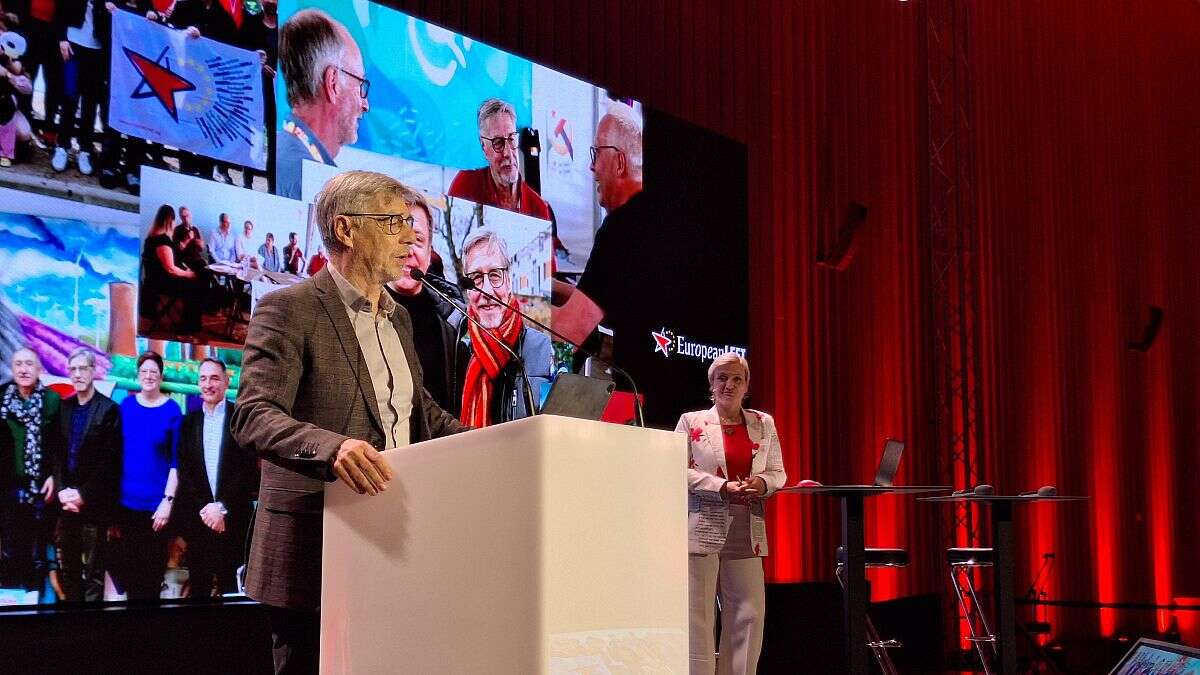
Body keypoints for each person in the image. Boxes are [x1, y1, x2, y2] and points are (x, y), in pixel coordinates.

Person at [231, 170, 467, 673]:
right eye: (395, 223)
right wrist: (332, 449)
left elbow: (417, 411)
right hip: (313, 549)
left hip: (391, 540)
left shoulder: (398, 317)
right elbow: (253, 413)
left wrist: (501, 440)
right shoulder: (288, 309)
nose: (410, 238)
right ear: (346, 230)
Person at [676, 353, 785, 675]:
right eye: (722, 377)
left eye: (737, 378)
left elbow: (778, 472)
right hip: (703, 526)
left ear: (747, 385)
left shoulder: (763, 423)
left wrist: (762, 482)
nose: (729, 384)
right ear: (711, 384)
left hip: (747, 527)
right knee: (699, 617)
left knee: (748, 616)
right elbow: (676, 470)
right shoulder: (691, 421)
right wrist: (721, 486)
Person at [551, 101, 644, 346]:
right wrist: (550, 287)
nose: (591, 167)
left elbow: (567, 331)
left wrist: (512, 305)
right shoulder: (651, 221)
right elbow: (599, 297)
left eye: (597, 153)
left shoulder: (621, 229)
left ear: (620, 163)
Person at [174, 358, 256, 597]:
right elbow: (185, 471)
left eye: (214, 378)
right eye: (203, 378)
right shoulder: (188, 423)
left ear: (226, 381)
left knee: (231, 586)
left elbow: (247, 469)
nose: (208, 384)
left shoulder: (240, 418)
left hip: (232, 520)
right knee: (199, 586)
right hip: (199, 520)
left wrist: (221, 508)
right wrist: (207, 509)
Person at [457, 230, 552, 427]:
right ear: (467, 289)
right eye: (476, 278)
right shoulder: (458, 353)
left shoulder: (541, 348)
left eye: (494, 275)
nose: (487, 291)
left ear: (508, 281)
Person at [108, 351, 180, 600]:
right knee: (128, 576)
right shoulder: (126, 407)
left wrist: (167, 502)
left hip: (156, 510)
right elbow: (115, 455)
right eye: (144, 371)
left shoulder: (172, 410)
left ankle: (150, 634)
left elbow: (176, 462)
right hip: (126, 507)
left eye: (154, 372)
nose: (149, 376)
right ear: (138, 375)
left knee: (151, 577)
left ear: (161, 377)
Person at [275, 9, 368, 200]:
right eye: (360, 85)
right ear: (333, 83)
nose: (365, 105)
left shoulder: (280, 154)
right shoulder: (311, 186)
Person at [385, 186, 461, 414]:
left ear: (429, 252)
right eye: (399, 239)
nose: (408, 250)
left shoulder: (452, 319)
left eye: (418, 240)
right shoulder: (361, 310)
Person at [54, 346, 120, 602]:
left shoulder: (108, 409)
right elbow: (57, 456)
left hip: (93, 505)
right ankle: (71, 628)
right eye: (73, 369)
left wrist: (82, 494)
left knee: (94, 574)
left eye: (83, 368)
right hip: (66, 505)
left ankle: (92, 631)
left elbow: (109, 462)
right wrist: (62, 492)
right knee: (69, 570)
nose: (78, 374)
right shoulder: (64, 407)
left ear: (93, 371)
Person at [0, 348, 64, 598]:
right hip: (6, 488)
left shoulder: (52, 400)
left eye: (29, 364)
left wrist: (53, 476)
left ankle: (33, 601)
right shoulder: (2, 398)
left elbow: (61, 446)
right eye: (18, 364)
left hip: (40, 489)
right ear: (12, 369)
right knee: (10, 548)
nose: (24, 369)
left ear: (39, 369)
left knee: (37, 550)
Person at [447, 98, 552, 219]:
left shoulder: (539, 208)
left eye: (512, 139)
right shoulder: (466, 186)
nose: (507, 152)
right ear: (483, 147)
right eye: (498, 142)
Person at [51, 0, 107, 176]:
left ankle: (85, 150)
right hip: (73, 44)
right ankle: (63, 146)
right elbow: (60, 9)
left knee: (90, 103)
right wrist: (61, 38)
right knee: (69, 97)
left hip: (97, 50)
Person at [140, 204, 201, 334]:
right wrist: (188, 274)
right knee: (195, 286)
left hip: (154, 280)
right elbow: (171, 269)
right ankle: (187, 327)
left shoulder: (152, 237)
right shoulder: (162, 241)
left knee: (196, 279)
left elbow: (172, 258)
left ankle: (189, 323)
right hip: (161, 284)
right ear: (170, 220)